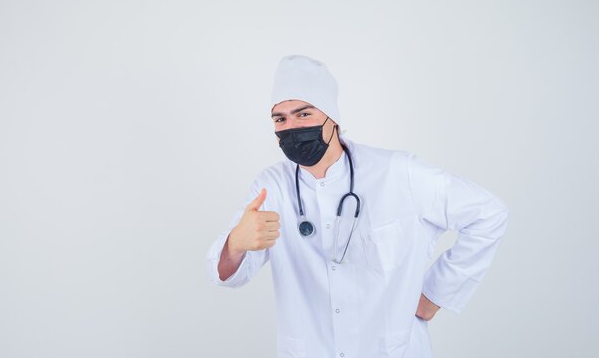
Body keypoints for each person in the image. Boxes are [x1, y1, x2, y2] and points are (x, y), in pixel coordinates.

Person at [206, 55, 509, 358]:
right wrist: (236, 243)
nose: (291, 127)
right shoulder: (271, 186)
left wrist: (435, 293)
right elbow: (227, 274)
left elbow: (488, 214)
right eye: (280, 119)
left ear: (332, 116)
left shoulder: (398, 172)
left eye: (303, 114)